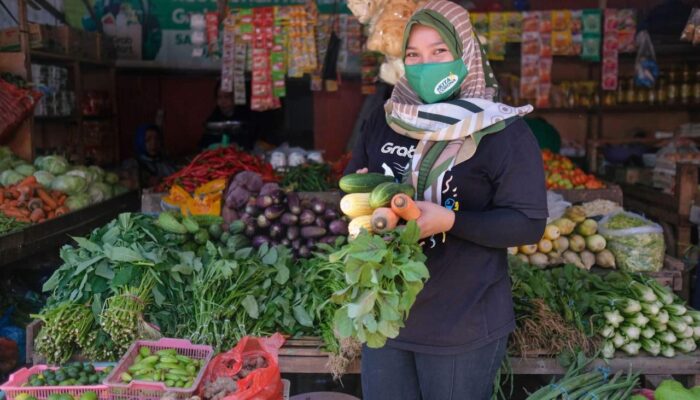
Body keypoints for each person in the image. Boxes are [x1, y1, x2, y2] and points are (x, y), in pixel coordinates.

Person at [344, 1, 547, 398]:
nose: (426, 65)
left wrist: (452, 221)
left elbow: (528, 223)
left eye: (439, 52)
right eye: (413, 55)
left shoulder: (500, 130)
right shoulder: (385, 118)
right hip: (386, 314)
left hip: (462, 321)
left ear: (465, 52)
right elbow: (358, 187)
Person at [201, 83, 254, 150]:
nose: (223, 101)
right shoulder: (214, 119)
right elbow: (204, 145)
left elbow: (249, 142)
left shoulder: (245, 117)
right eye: (219, 97)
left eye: (227, 97)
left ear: (235, 98)